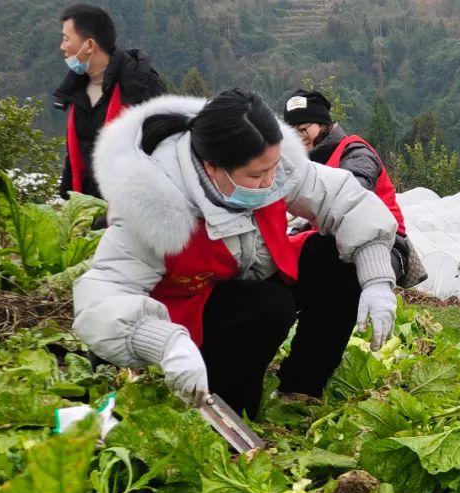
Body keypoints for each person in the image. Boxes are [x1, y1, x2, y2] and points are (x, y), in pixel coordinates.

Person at [72, 89, 399, 420]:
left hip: (244, 282)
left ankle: (299, 390)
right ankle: (224, 409)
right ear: (213, 168)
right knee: (267, 307)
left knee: (334, 263)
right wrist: (164, 343)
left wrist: (376, 278)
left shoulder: (272, 164)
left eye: (273, 169)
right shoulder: (151, 200)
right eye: (256, 176)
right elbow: (102, 298)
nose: (271, 182)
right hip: (183, 317)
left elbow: (342, 198)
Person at [283, 89, 424, 288]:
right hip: (337, 241)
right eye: (292, 132)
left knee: (323, 258)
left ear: (323, 124)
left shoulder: (355, 152)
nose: (299, 136)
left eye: (304, 128)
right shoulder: (310, 163)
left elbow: (350, 202)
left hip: (384, 244)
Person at [54, 3, 165, 226]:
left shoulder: (140, 85)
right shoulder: (76, 91)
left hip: (131, 219)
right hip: (89, 215)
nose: (62, 47)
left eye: (66, 38)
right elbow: (76, 155)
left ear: (89, 44)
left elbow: (162, 152)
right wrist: (67, 206)